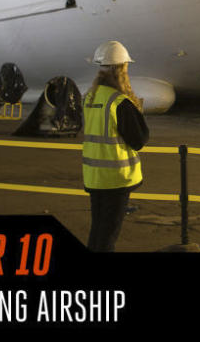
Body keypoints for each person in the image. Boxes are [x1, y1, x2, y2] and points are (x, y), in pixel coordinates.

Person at [82, 40, 150, 252]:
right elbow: (139, 140)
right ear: (121, 68)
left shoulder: (90, 98)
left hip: (94, 177)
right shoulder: (119, 102)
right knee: (107, 238)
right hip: (116, 179)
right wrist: (137, 111)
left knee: (97, 233)